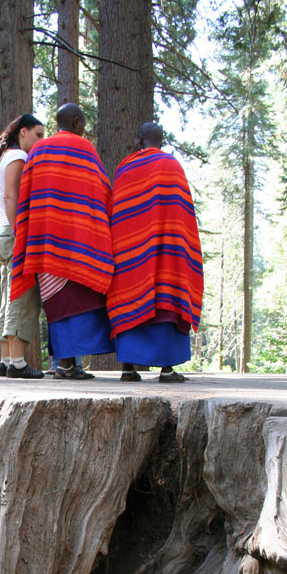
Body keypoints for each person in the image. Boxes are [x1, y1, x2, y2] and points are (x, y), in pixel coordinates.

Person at [11, 103, 114, 380]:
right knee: (79, 302)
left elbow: (26, 198)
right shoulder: (85, 149)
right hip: (83, 243)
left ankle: (65, 363)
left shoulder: (39, 151)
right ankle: (69, 364)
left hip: (47, 244)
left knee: (58, 304)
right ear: (78, 122)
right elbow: (102, 193)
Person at [107, 122, 204, 383]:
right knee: (166, 303)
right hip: (166, 252)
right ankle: (167, 369)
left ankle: (129, 367)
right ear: (161, 141)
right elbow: (182, 215)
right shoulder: (171, 165)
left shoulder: (125, 167)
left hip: (130, 254)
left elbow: (118, 213)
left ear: (139, 140)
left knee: (131, 301)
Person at [0, 113, 45, 379]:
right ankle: (18, 363)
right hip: (13, 232)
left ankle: (6, 359)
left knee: (8, 296)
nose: (40, 141)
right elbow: (12, 196)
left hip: (5, 234)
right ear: (23, 132)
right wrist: (21, 232)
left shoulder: (7, 157)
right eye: (38, 135)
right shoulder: (18, 157)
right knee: (22, 295)